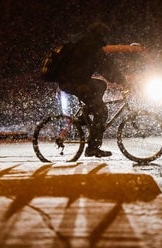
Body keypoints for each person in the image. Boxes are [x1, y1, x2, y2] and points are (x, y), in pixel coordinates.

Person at [57, 22, 126, 158]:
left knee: (101, 85)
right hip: (74, 82)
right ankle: (92, 148)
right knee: (102, 111)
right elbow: (107, 67)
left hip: (73, 80)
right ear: (101, 34)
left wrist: (117, 79)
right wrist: (122, 80)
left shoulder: (86, 42)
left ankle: (84, 117)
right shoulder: (92, 46)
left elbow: (105, 66)